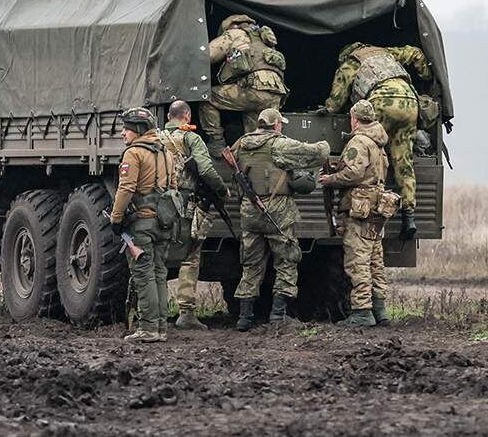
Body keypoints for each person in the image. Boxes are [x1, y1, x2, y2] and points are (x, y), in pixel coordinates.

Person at [231, 108, 329, 331]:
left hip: (250, 209)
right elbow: (316, 153)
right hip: (277, 210)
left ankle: (244, 318)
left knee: (251, 264)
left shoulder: (241, 144)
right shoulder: (279, 145)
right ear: (276, 125)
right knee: (287, 260)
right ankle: (278, 315)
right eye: (280, 124)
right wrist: (324, 145)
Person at [325, 42, 434, 240]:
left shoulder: (352, 62)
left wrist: (328, 109)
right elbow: (415, 53)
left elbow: (338, 97)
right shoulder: (386, 53)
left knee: (374, 154)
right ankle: (409, 217)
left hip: (381, 100)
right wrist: (427, 76)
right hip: (409, 101)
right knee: (404, 162)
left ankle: (376, 210)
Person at [319, 101, 391, 327]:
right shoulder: (378, 142)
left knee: (357, 261)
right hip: (377, 207)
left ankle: (362, 312)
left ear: (355, 119)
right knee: (375, 261)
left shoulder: (359, 141)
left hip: (360, 208)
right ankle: (380, 311)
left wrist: (330, 179)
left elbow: (354, 172)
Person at [159, 100, 230, 330]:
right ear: (187, 116)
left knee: (155, 253)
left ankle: (150, 311)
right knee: (190, 253)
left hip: (156, 203)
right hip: (183, 205)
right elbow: (206, 169)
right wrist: (221, 189)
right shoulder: (190, 138)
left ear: (169, 116)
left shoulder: (155, 139)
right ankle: (186, 313)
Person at [109, 108, 178, 342]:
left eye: (126, 128)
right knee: (159, 273)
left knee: (143, 274)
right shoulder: (167, 153)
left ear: (137, 130)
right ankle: (160, 327)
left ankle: (148, 328)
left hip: (141, 224)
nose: (122, 133)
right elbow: (174, 188)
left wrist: (116, 219)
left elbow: (126, 188)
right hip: (164, 223)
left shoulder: (134, 153)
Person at [201, 14, 289, 158]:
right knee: (255, 138)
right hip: (275, 94)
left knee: (208, 97)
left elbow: (207, 55)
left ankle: (217, 144)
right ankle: (258, 163)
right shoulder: (264, 38)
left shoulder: (235, 33)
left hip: (253, 90)